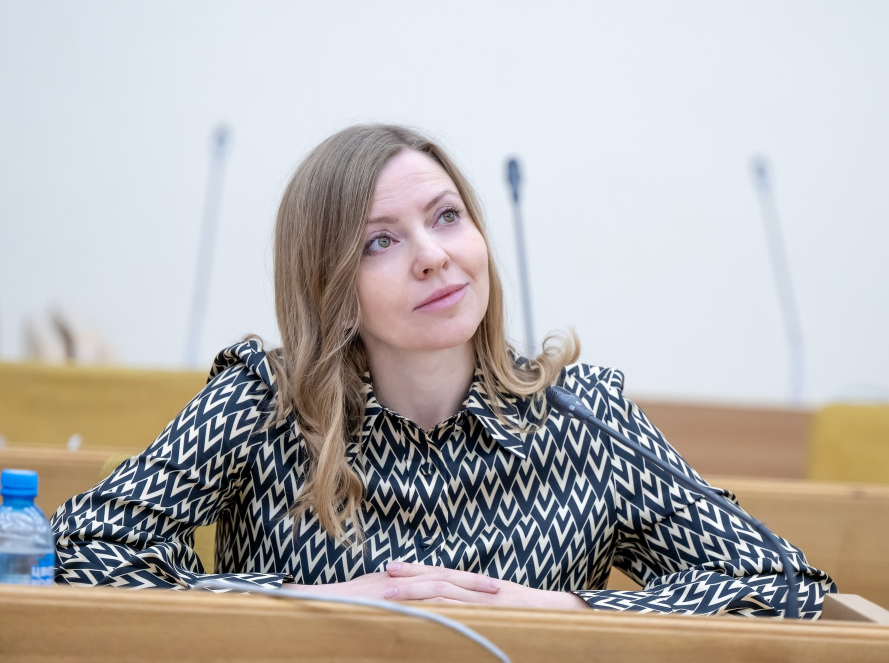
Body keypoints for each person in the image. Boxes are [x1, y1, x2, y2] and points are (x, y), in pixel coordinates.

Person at [51, 124, 835, 616]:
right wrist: (319, 601)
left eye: (446, 217)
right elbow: (82, 548)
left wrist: (563, 610)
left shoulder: (584, 417)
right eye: (380, 241)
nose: (433, 256)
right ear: (331, 289)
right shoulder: (265, 402)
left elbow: (782, 583)